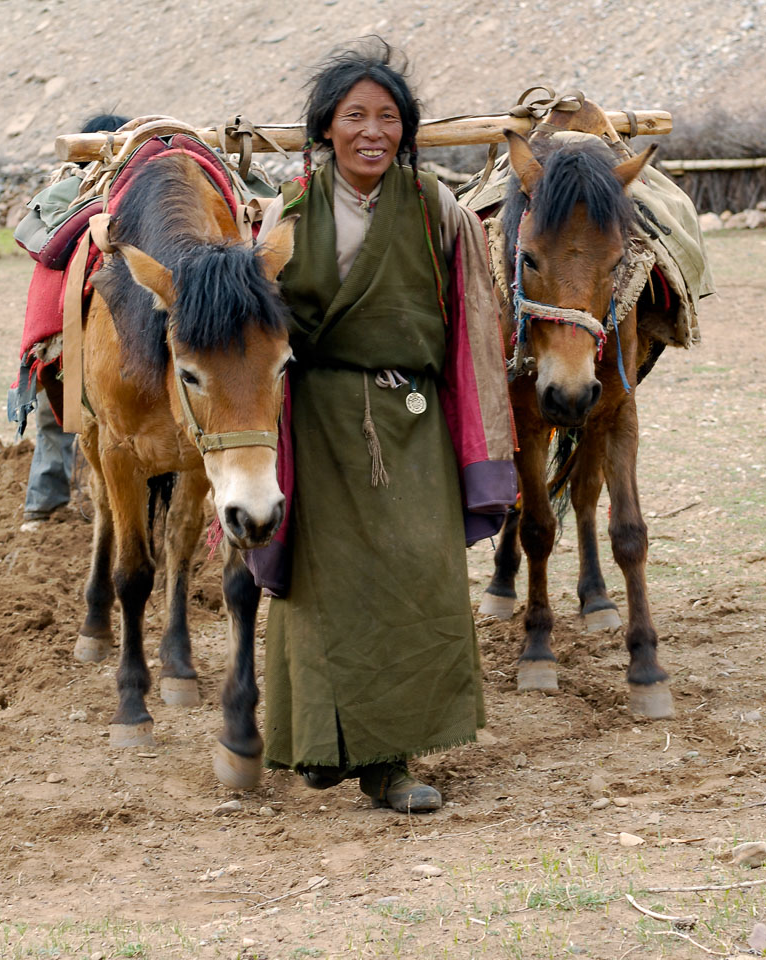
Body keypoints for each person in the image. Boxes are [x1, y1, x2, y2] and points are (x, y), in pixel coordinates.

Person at [256, 39, 514, 813]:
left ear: (406, 129)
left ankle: (392, 763)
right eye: (354, 115)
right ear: (325, 129)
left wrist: (485, 445)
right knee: (324, 588)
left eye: (388, 116)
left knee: (414, 579)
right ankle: (321, 747)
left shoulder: (438, 210)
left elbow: (474, 323)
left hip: (413, 423)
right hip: (317, 422)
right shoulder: (286, 213)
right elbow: (256, 338)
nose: (373, 130)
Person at [18, 114, 130, 533]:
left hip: (115, 332)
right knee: (56, 411)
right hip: (70, 330)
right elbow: (41, 247)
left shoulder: (152, 205)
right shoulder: (62, 206)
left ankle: (52, 506)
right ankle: (44, 506)